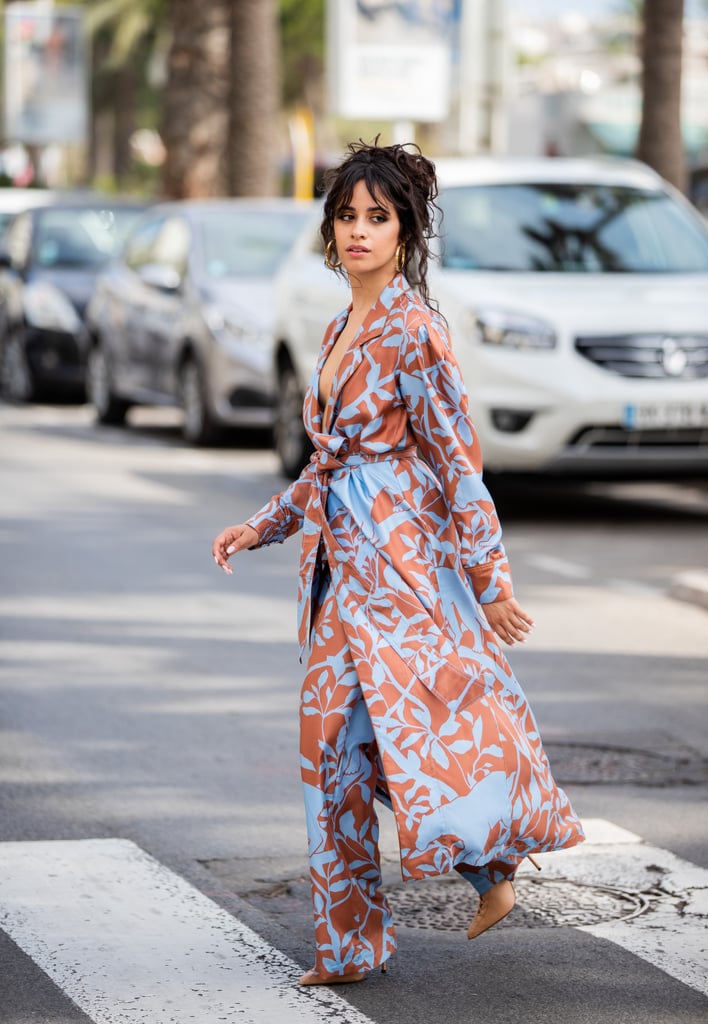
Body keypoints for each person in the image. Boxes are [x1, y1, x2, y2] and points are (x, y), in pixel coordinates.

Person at [212, 140, 584, 986]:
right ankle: (411, 912)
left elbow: (457, 460)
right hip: (340, 574)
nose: (358, 231)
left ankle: (473, 870)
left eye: (378, 217)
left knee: (390, 743)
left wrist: (489, 582)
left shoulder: (415, 329)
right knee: (338, 752)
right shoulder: (341, 325)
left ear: (407, 229)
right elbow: (327, 467)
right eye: (347, 216)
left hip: (401, 576)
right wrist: (256, 527)